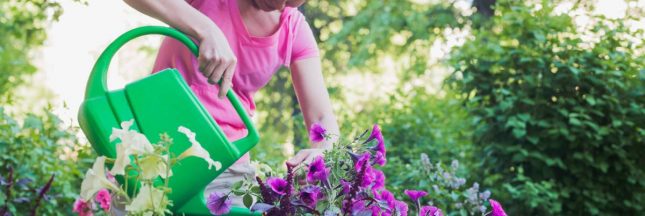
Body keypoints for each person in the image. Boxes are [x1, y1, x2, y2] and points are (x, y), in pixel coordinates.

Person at [122, 0, 340, 207]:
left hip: (225, 166)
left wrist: (323, 151)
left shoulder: (294, 29)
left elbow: (322, 117)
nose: (281, 5)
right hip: (152, 145)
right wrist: (206, 29)